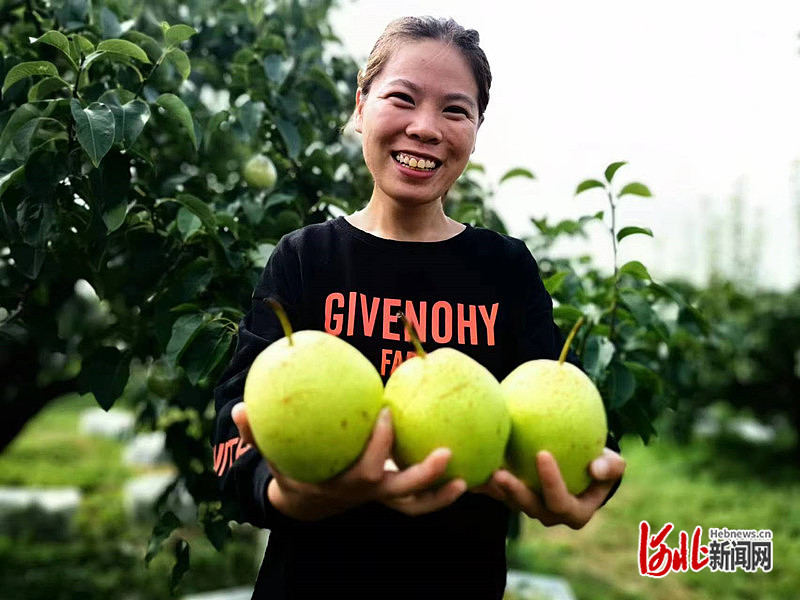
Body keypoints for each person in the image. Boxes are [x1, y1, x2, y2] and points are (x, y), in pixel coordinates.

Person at [213, 16, 625, 600]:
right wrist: (280, 491)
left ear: (477, 131)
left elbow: (563, 398)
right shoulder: (307, 258)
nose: (426, 128)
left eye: (456, 111)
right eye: (402, 98)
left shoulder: (502, 268)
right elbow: (230, 431)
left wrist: (592, 472)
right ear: (360, 107)